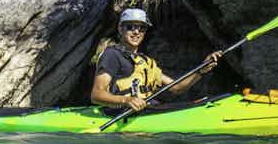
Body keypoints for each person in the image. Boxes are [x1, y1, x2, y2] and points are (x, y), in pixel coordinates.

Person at [91, 8, 222, 113]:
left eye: (141, 28)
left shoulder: (145, 61)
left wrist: (201, 70)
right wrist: (127, 100)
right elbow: (96, 95)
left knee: (202, 102)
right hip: (123, 111)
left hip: (149, 109)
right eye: (130, 27)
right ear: (120, 29)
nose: (136, 32)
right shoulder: (112, 55)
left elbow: (177, 88)